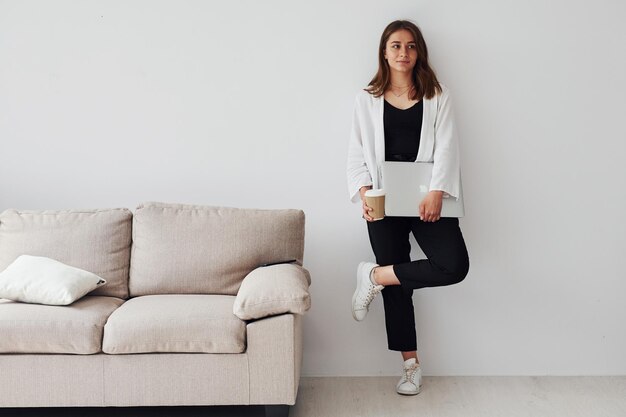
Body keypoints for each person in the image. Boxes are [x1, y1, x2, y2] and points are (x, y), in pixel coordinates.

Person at [346, 20, 470, 396]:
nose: (404, 53)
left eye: (411, 46)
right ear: (384, 52)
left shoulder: (438, 95)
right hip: (382, 198)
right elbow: (356, 152)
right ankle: (410, 366)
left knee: (453, 265)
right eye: (396, 45)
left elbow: (447, 145)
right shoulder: (366, 99)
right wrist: (364, 191)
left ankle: (375, 276)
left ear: (419, 53)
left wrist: (437, 191)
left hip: (425, 198)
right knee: (399, 289)